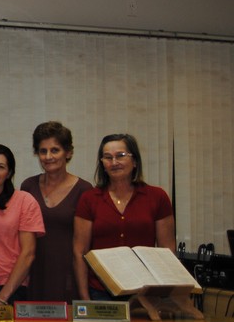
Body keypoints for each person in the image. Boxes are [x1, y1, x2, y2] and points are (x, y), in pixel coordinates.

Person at [74, 133, 175, 300]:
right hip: (100, 292)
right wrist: (85, 298)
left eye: (120, 156)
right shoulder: (89, 199)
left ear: (135, 161)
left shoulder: (157, 196)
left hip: (145, 292)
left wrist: (159, 296)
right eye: (107, 157)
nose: (114, 162)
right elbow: (79, 252)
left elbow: (167, 252)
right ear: (102, 164)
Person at [19, 122, 92, 302]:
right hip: (33, 274)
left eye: (55, 150)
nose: (48, 156)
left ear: (68, 152)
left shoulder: (84, 190)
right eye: (43, 151)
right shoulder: (28, 186)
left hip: (67, 276)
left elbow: (84, 248)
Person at [0, 143, 45, 305]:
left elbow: (28, 254)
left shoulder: (24, 201)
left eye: (1, 167)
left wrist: (1, 298)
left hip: (12, 289)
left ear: (9, 173)